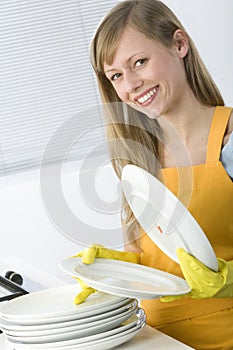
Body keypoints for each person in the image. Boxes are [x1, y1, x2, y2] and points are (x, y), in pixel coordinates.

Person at [72, 1, 233, 349]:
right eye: (115, 75)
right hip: (152, 340)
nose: (130, 84)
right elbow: (150, 260)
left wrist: (230, 280)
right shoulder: (136, 158)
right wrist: (117, 270)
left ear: (179, 45)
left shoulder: (230, 142)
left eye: (139, 62)